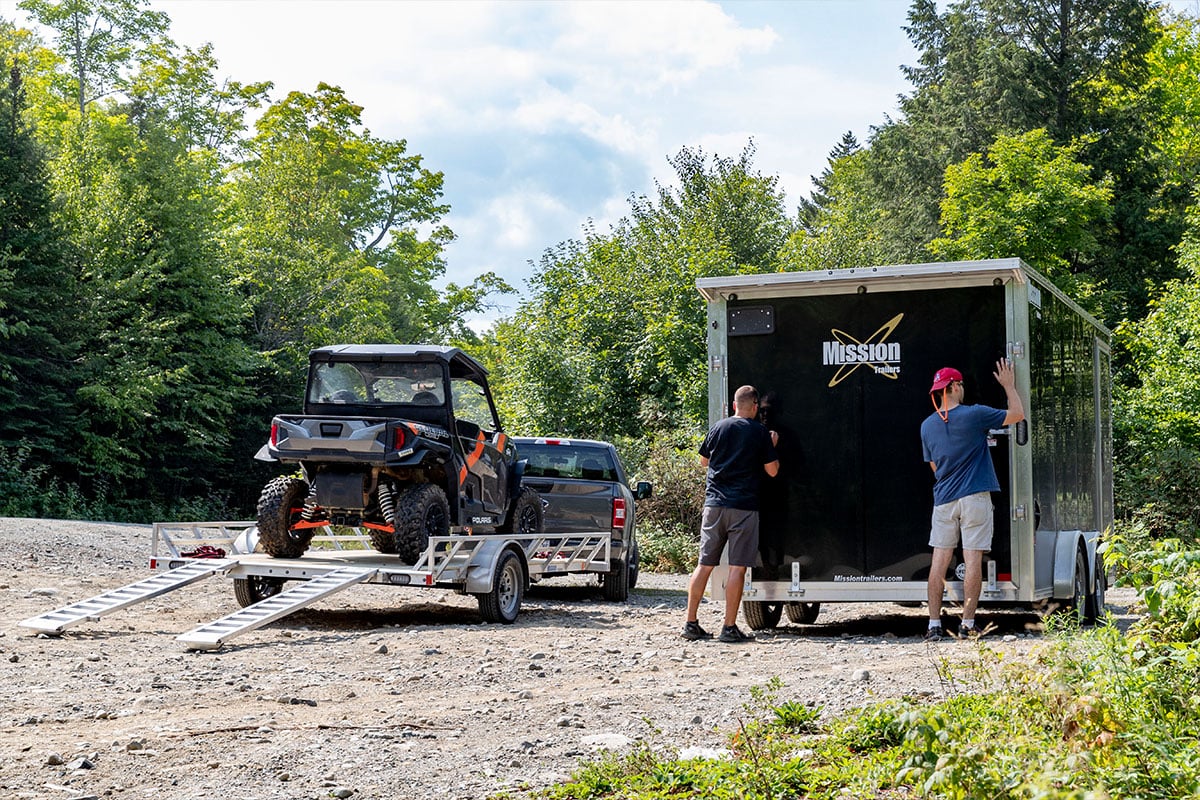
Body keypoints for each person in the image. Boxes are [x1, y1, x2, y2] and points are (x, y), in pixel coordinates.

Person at [920, 360, 1025, 641]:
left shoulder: (927, 426)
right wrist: (1008, 385)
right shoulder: (975, 414)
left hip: (944, 501)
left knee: (938, 563)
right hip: (974, 497)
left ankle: (933, 625)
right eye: (961, 385)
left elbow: (934, 467)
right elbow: (1017, 414)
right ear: (955, 387)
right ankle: (967, 624)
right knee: (972, 560)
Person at [683, 385, 779, 643]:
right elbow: (772, 471)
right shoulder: (760, 432)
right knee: (737, 568)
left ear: (734, 405)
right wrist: (771, 446)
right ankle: (728, 628)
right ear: (755, 407)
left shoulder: (718, 427)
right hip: (743, 508)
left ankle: (690, 624)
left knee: (704, 565)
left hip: (714, 506)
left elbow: (704, 461)